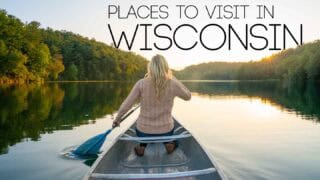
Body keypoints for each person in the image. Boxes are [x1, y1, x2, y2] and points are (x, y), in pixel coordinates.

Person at [112, 54, 191, 156]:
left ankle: (142, 146)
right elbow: (188, 96)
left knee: (143, 131)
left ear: (150, 68)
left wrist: (117, 119)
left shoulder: (141, 83)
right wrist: (173, 78)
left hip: (143, 131)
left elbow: (126, 105)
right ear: (166, 68)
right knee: (168, 132)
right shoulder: (172, 83)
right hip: (166, 130)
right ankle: (168, 143)